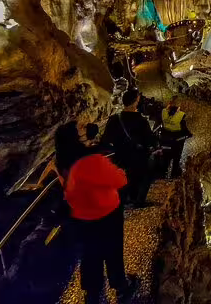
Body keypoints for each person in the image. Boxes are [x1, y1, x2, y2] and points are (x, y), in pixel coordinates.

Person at [58, 121, 138, 304]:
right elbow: (120, 180)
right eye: (80, 130)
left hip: (82, 216)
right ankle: (121, 287)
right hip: (107, 213)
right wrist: (118, 170)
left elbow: (67, 192)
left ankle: (92, 295)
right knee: (113, 250)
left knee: (90, 254)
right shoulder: (92, 161)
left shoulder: (63, 162)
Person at [100, 89, 158, 207]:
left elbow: (105, 140)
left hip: (120, 156)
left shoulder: (114, 119)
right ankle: (137, 201)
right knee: (141, 177)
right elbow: (150, 140)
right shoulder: (141, 121)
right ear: (134, 103)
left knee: (123, 178)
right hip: (139, 157)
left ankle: (123, 200)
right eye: (137, 100)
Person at [160, 95, 192, 178]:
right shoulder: (180, 118)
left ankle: (163, 176)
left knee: (165, 161)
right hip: (176, 143)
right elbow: (186, 131)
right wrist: (190, 134)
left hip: (165, 141)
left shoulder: (164, 114)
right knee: (176, 160)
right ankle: (174, 176)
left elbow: (166, 109)